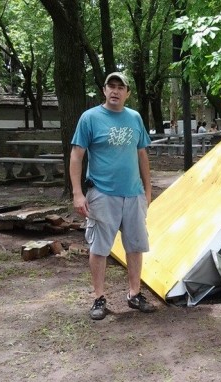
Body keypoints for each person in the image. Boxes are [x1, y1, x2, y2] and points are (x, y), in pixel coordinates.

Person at [70, 72, 155, 320]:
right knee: (99, 248)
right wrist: (77, 193)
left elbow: (142, 155)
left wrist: (147, 191)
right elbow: (76, 155)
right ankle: (99, 298)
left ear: (128, 93)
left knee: (135, 246)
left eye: (120, 87)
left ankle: (134, 293)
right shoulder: (90, 118)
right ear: (104, 90)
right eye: (111, 86)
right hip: (102, 193)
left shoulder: (135, 118)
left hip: (133, 194)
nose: (115, 91)